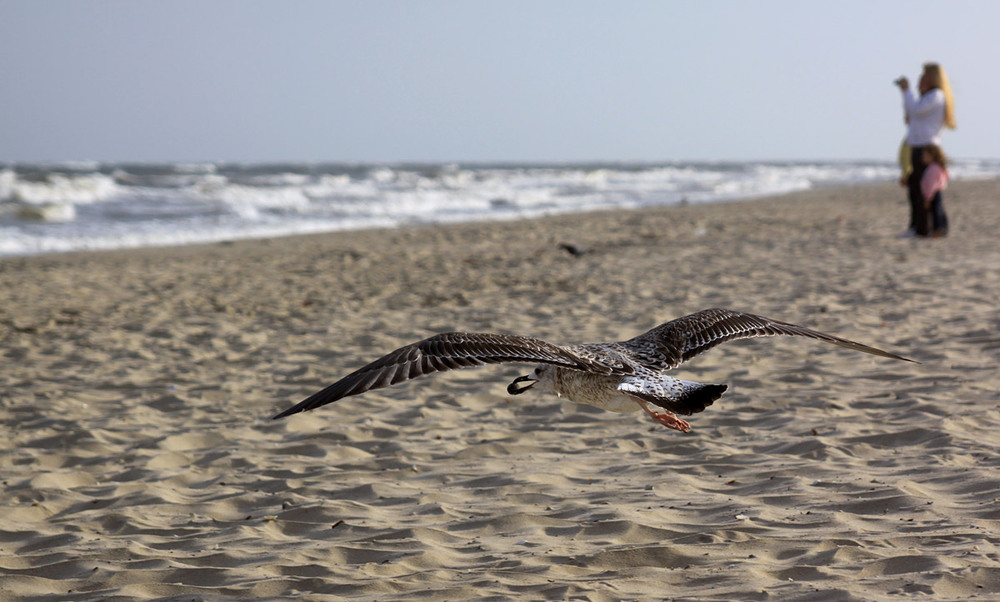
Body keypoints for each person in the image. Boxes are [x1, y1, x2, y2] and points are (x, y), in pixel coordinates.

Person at [894, 63, 956, 237]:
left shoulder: (936, 95)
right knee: (917, 189)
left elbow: (915, 110)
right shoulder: (927, 97)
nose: (922, 79)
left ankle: (924, 228)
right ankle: (926, 226)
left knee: (925, 190)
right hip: (918, 146)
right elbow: (912, 113)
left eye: (926, 75)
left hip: (926, 148)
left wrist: (906, 92)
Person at [920, 144, 949, 237]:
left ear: (932, 156)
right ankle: (940, 229)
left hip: (933, 193)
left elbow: (932, 185)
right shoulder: (935, 167)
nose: (923, 157)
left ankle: (938, 230)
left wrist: (927, 198)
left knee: (936, 212)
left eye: (925, 155)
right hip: (934, 193)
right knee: (938, 211)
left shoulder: (933, 168)